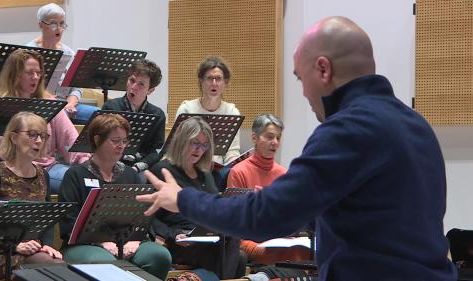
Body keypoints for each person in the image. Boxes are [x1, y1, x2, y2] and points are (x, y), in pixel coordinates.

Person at [137, 16, 458, 281]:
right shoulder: (416, 125)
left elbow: (265, 216)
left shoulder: (348, 129)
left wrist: (182, 198)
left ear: (323, 69)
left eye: (300, 77)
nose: (303, 92)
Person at [58, 114, 171, 281]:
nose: (121, 146)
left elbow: (142, 215)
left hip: (125, 242)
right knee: (106, 262)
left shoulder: (129, 174)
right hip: (84, 244)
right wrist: (100, 242)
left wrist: (136, 240)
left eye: (124, 141)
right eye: (115, 141)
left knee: (158, 255)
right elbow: (69, 222)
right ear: (97, 140)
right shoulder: (75, 175)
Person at [149, 116, 244, 279]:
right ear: (181, 141)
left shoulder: (205, 173)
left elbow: (214, 208)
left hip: (204, 235)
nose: (199, 150)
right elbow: (148, 216)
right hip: (179, 239)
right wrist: (172, 234)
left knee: (236, 246)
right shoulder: (162, 170)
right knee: (235, 255)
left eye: (204, 145)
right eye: (194, 142)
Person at [0, 112, 63, 280]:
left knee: (53, 264)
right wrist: (16, 246)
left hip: (33, 251)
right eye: (32, 135)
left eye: (43, 136)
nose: (38, 141)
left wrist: (47, 246)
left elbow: (47, 221)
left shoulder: (44, 175)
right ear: (14, 138)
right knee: (52, 269)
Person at [0, 49, 89, 194]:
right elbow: (6, 150)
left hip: (49, 167)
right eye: (29, 73)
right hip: (14, 171)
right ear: (14, 74)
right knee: (77, 183)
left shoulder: (48, 101)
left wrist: (88, 165)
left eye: (38, 73)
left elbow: (69, 137)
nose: (35, 77)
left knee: (87, 179)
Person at [227, 114, 310, 265]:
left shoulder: (284, 173)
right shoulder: (239, 171)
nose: (275, 143)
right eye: (270, 137)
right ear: (254, 138)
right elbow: (237, 220)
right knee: (271, 253)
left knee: (305, 249)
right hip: (249, 239)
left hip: (278, 237)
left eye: (278, 138)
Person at [27, 3, 99, 124]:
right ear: (40, 25)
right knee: (59, 116)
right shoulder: (28, 52)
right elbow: (23, 85)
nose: (59, 28)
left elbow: (76, 87)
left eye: (62, 24)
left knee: (102, 116)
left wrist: (70, 104)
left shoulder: (68, 53)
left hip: (66, 104)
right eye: (54, 23)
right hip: (39, 104)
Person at [102, 59, 165, 172]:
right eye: (132, 80)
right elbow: (103, 144)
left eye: (141, 84)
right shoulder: (110, 107)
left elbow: (156, 151)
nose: (133, 87)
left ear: (150, 90)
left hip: (141, 167)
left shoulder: (158, 114)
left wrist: (139, 167)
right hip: (112, 164)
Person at [175, 56, 241, 165]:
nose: (214, 83)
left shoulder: (232, 112)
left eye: (218, 78)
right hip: (189, 166)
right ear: (201, 81)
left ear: (225, 82)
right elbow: (178, 146)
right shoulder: (186, 109)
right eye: (209, 78)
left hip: (218, 170)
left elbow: (232, 150)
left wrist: (230, 168)